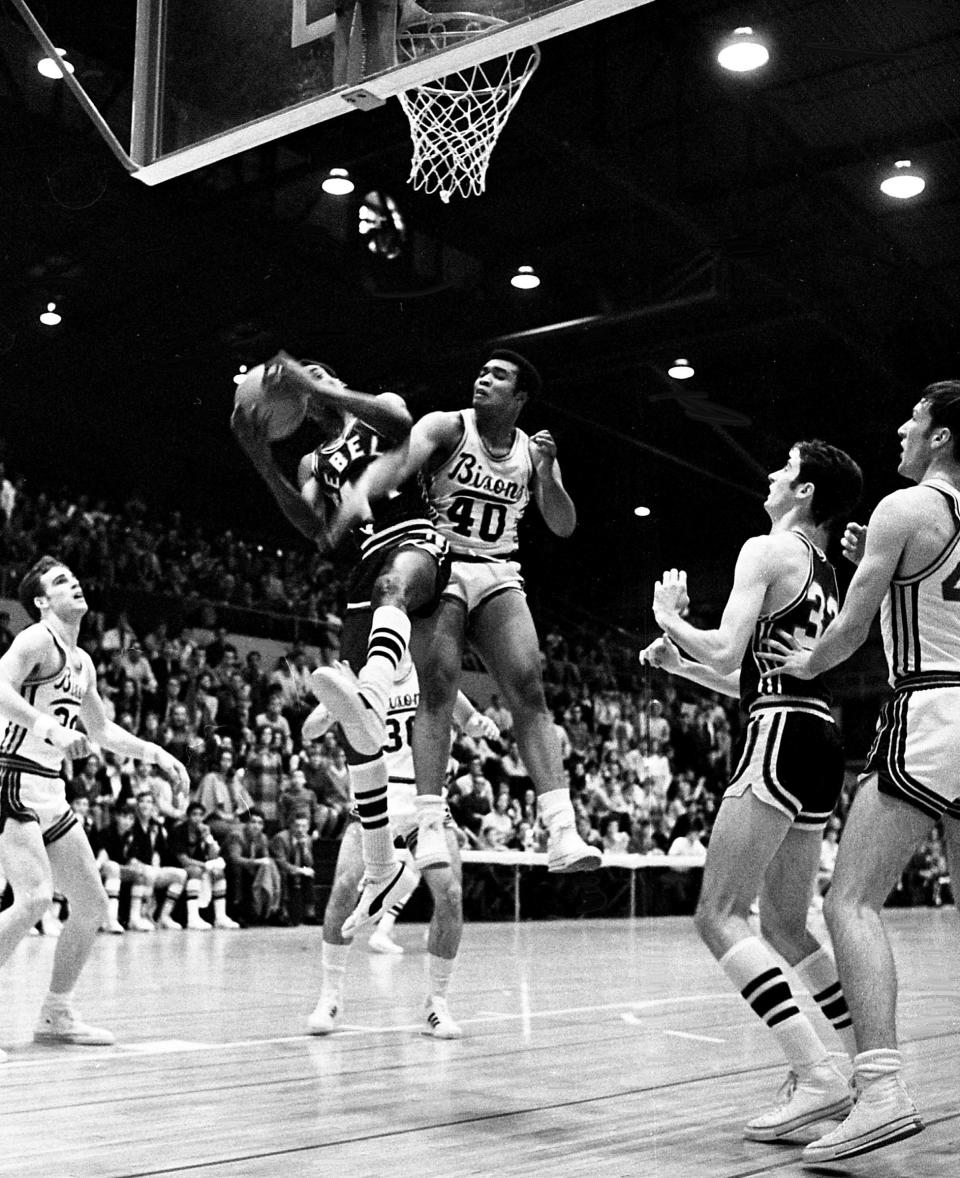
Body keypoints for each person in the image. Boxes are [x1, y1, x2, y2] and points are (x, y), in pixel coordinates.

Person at [639, 439, 864, 1143]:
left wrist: (669, 616)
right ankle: (865, 1065)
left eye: (784, 468)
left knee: (719, 914)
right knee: (787, 927)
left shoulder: (766, 549)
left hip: (777, 735)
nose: (771, 475)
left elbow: (730, 651)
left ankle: (817, 1073)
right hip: (820, 738)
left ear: (804, 492)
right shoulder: (825, 568)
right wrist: (679, 660)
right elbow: (749, 671)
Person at [763, 381, 960, 1163]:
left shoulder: (905, 508)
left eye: (914, 421)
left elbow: (847, 633)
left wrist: (806, 659)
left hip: (932, 710)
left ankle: (879, 1086)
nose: (902, 432)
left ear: (942, 437)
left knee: (850, 901)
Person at [325, 350, 601, 876]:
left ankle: (562, 828)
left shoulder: (531, 450)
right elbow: (403, 462)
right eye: (481, 371)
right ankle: (430, 823)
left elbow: (563, 525)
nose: (483, 379)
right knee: (439, 686)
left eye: (498, 376)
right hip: (442, 559)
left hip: (498, 568)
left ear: (520, 397)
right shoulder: (448, 426)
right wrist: (366, 485)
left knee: (529, 685)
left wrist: (549, 473)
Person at [232, 351, 451, 931]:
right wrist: (260, 460)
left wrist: (320, 387)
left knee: (389, 603)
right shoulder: (311, 460)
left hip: (415, 542)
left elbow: (403, 427)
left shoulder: (382, 409)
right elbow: (312, 528)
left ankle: (376, 691)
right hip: (362, 569)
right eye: (309, 382)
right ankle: (380, 866)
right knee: (359, 735)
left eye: (323, 372)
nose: (315, 382)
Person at [0, 556, 190, 1057]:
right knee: (35, 899)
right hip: (10, 776)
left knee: (91, 906)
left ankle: (56, 1012)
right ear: (41, 601)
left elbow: (101, 730)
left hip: (48, 788)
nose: (74, 583)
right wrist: (50, 729)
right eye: (60, 581)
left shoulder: (79, 660)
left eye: (73, 577)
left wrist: (157, 754)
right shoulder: (35, 640)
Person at [308, 650, 499, 1038]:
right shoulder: (367, 678)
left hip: (424, 801)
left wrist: (480, 725)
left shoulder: (433, 676)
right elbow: (309, 730)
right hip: (375, 801)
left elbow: (469, 719)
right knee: (344, 889)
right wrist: (335, 707)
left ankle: (437, 1003)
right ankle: (329, 996)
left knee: (450, 894)